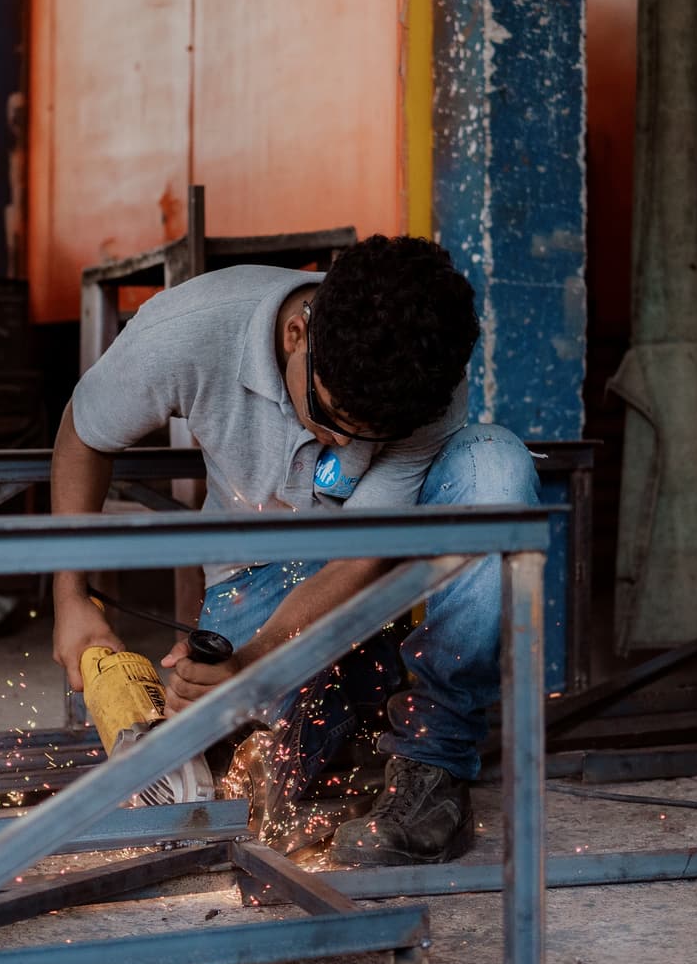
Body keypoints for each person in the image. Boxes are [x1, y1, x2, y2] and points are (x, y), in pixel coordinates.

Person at [48, 235, 539, 865]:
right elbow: (83, 435)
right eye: (329, 415)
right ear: (296, 334)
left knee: (496, 464)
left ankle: (432, 762)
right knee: (237, 760)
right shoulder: (185, 330)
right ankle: (352, 708)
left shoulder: (423, 377)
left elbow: (360, 554)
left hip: (374, 572)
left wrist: (258, 660)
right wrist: (71, 594)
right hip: (256, 576)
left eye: (367, 438)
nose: (338, 441)